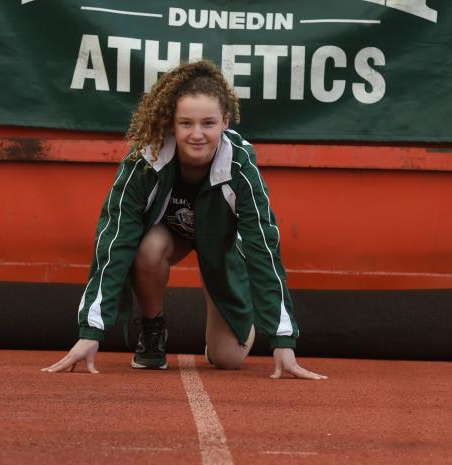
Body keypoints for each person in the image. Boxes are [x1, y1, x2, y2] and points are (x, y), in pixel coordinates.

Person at [42, 60, 326, 380]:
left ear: (225, 122)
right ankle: (153, 329)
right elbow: (115, 238)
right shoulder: (145, 160)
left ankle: (222, 292)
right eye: (186, 123)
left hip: (220, 248)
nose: (197, 134)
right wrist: (90, 333)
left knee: (228, 359)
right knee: (146, 247)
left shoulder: (240, 167)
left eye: (208, 123)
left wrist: (283, 341)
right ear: (171, 124)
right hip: (168, 237)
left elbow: (264, 248)